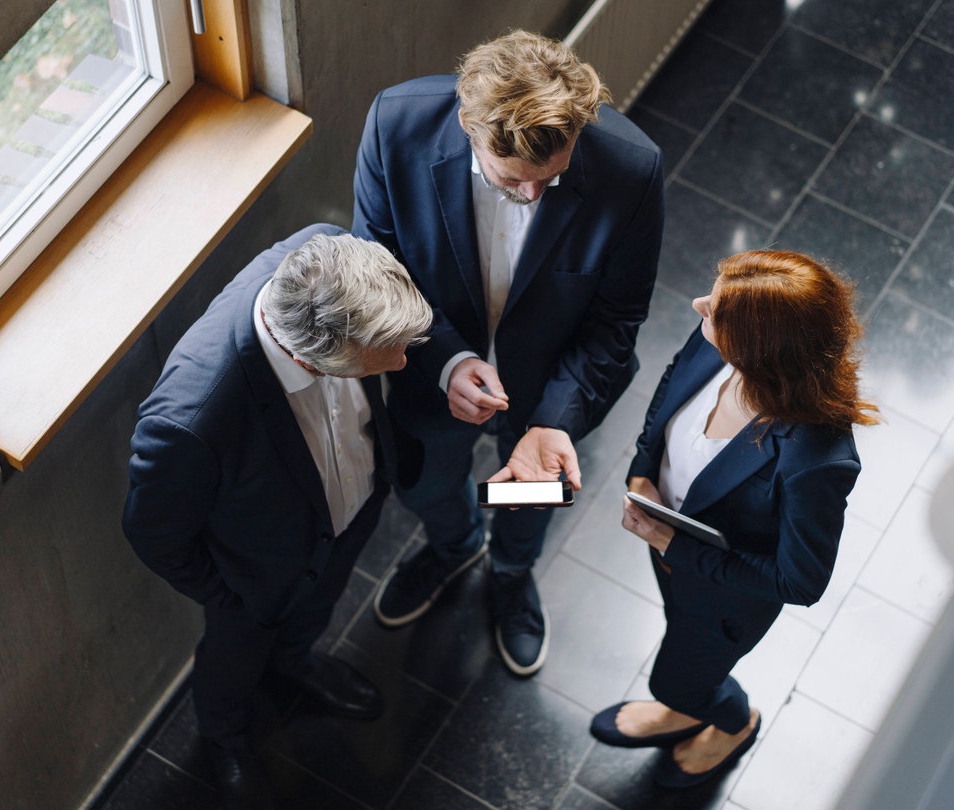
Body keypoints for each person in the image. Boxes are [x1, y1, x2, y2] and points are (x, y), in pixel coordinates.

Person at [352, 29, 666, 676]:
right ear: (471, 129)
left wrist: (553, 421)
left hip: (552, 383)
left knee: (530, 496)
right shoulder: (395, 126)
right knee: (427, 482)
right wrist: (445, 362)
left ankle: (511, 570)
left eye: (551, 180)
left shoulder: (631, 170)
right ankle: (454, 545)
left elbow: (616, 320)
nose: (531, 196)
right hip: (428, 369)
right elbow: (375, 271)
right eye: (511, 180)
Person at [121, 224, 432, 808]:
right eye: (383, 356)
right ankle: (224, 737)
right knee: (233, 659)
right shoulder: (191, 419)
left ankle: (295, 664)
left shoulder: (326, 251)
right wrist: (231, 594)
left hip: (350, 513)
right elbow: (153, 533)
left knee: (316, 608)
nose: (402, 362)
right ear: (310, 358)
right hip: (253, 578)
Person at [590, 250, 880, 789]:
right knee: (677, 633)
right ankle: (691, 701)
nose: (700, 306)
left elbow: (800, 580)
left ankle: (730, 720)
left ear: (760, 354)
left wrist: (671, 545)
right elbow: (673, 386)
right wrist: (642, 469)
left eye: (716, 310)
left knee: (678, 680)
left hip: (725, 593)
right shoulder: (716, 340)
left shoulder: (815, 458)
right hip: (670, 540)